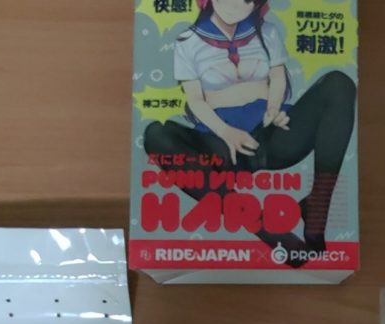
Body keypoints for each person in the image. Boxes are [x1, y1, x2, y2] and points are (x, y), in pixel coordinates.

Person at [144, 0, 357, 264]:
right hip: (222, 144)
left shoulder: (267, 32)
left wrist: (274, 109)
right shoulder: (188, 41)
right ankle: (267, 230)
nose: (234, 5)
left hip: (273, 134)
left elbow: (277, 76)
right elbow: (195, 100)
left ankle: (317, 206)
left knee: (339, 83)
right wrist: (227, 132)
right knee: (156, 135)